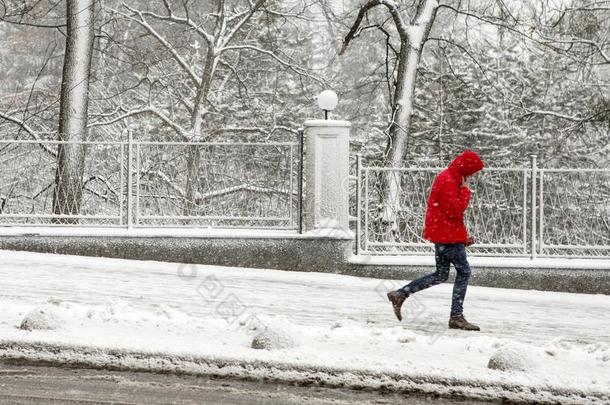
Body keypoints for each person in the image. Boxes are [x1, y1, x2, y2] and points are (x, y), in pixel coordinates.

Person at [387, 150, 484, 331]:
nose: (472, 176)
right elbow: (454, 210)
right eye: (472, 171)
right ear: (466, 167)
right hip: (446, 236)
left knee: (440, 275)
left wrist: (462, 237)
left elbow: (449, 215)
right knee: (464, 272)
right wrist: (465, 191)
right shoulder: (449, 180)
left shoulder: (451, 177)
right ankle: (456, 316)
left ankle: (400, 294)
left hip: (445, 234)